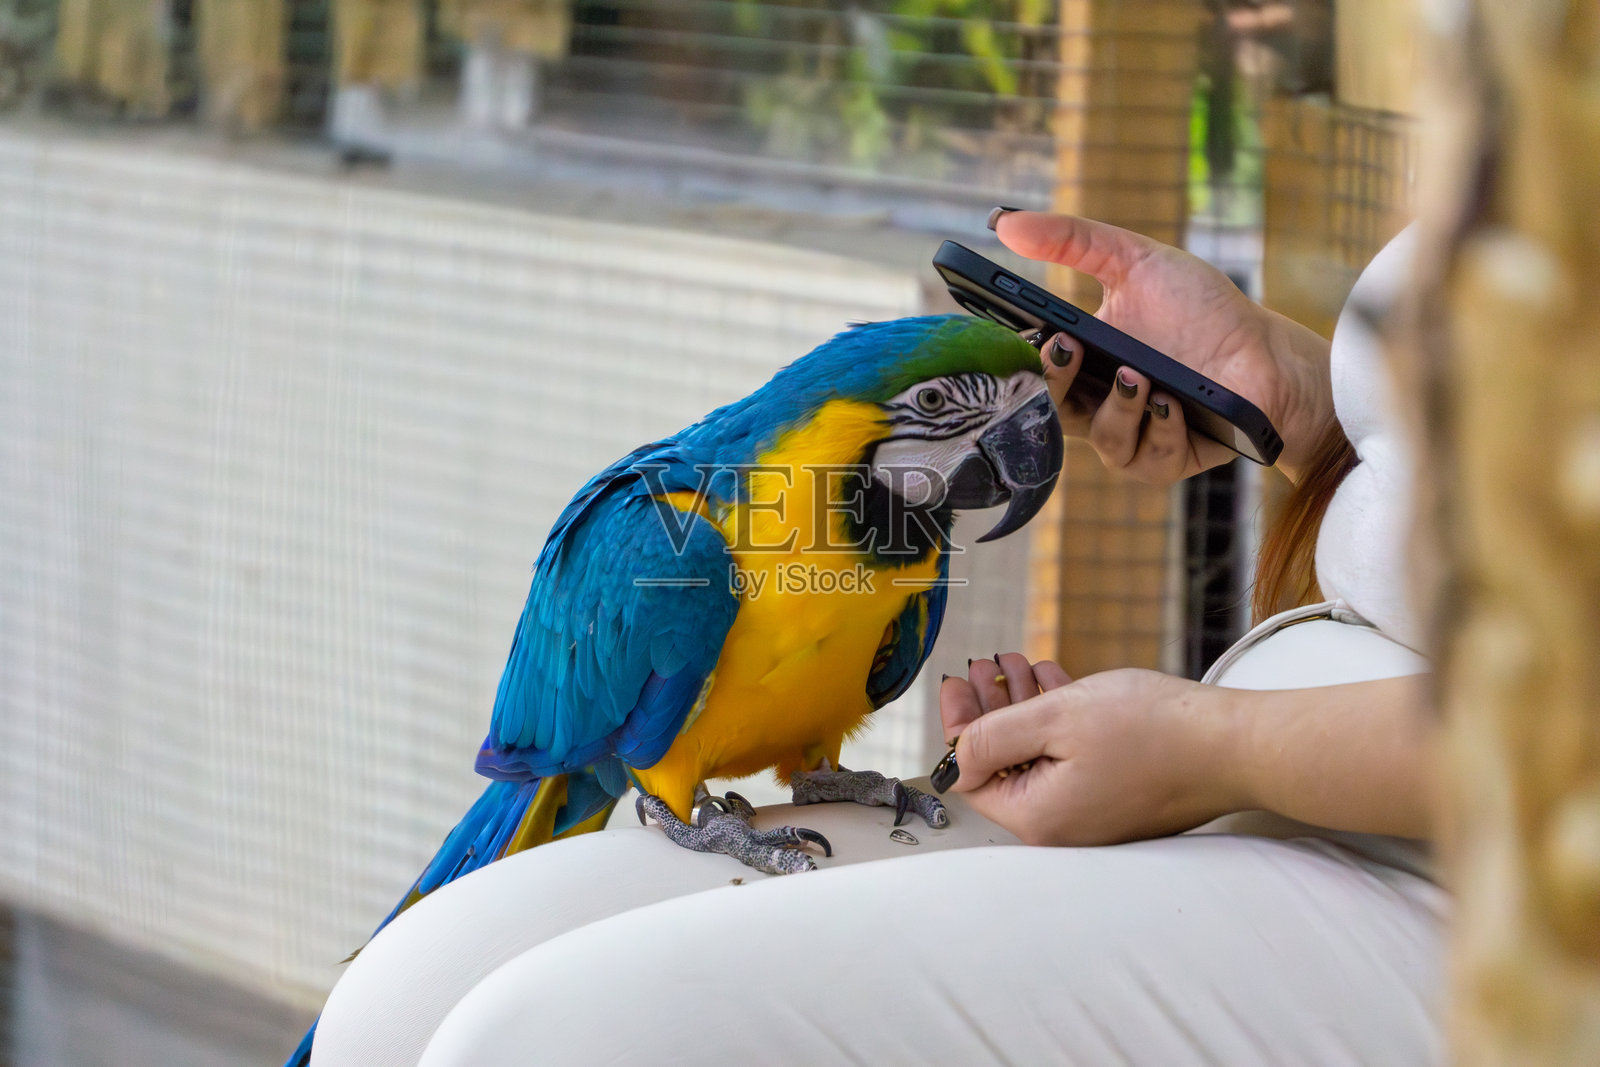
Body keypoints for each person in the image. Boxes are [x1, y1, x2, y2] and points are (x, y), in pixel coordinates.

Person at [310, 212, 1445, 1067]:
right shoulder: (675, 534)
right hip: (1253, 791)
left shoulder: (907, 554)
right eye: (945, 417)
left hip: (1488, 873)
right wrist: (1296, 404)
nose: (1002, 448)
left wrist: (1210, 744)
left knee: (545, 1036)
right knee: (397, 998)